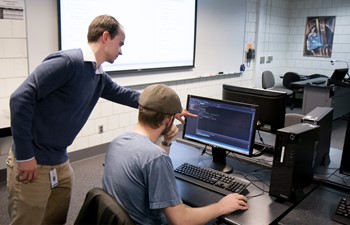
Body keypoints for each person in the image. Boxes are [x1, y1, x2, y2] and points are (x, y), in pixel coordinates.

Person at [7, 15, 192, 225]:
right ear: (106, 37)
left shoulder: (98, 75)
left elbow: (127, 95)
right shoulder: (68, 62)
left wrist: (172, 109)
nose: (121, 50)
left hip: (60, 162)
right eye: (120, 43)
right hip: (34, 161)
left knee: (55, 220)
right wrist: (24, 156)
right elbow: (20, 98)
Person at [102, 84, 249, 225]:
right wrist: (221, 206)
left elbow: (151, 164)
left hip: (127, 219)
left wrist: (166, 142)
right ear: (168, 120)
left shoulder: (118, 142)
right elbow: (181, 221)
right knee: (216, 217)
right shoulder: (155, 158)